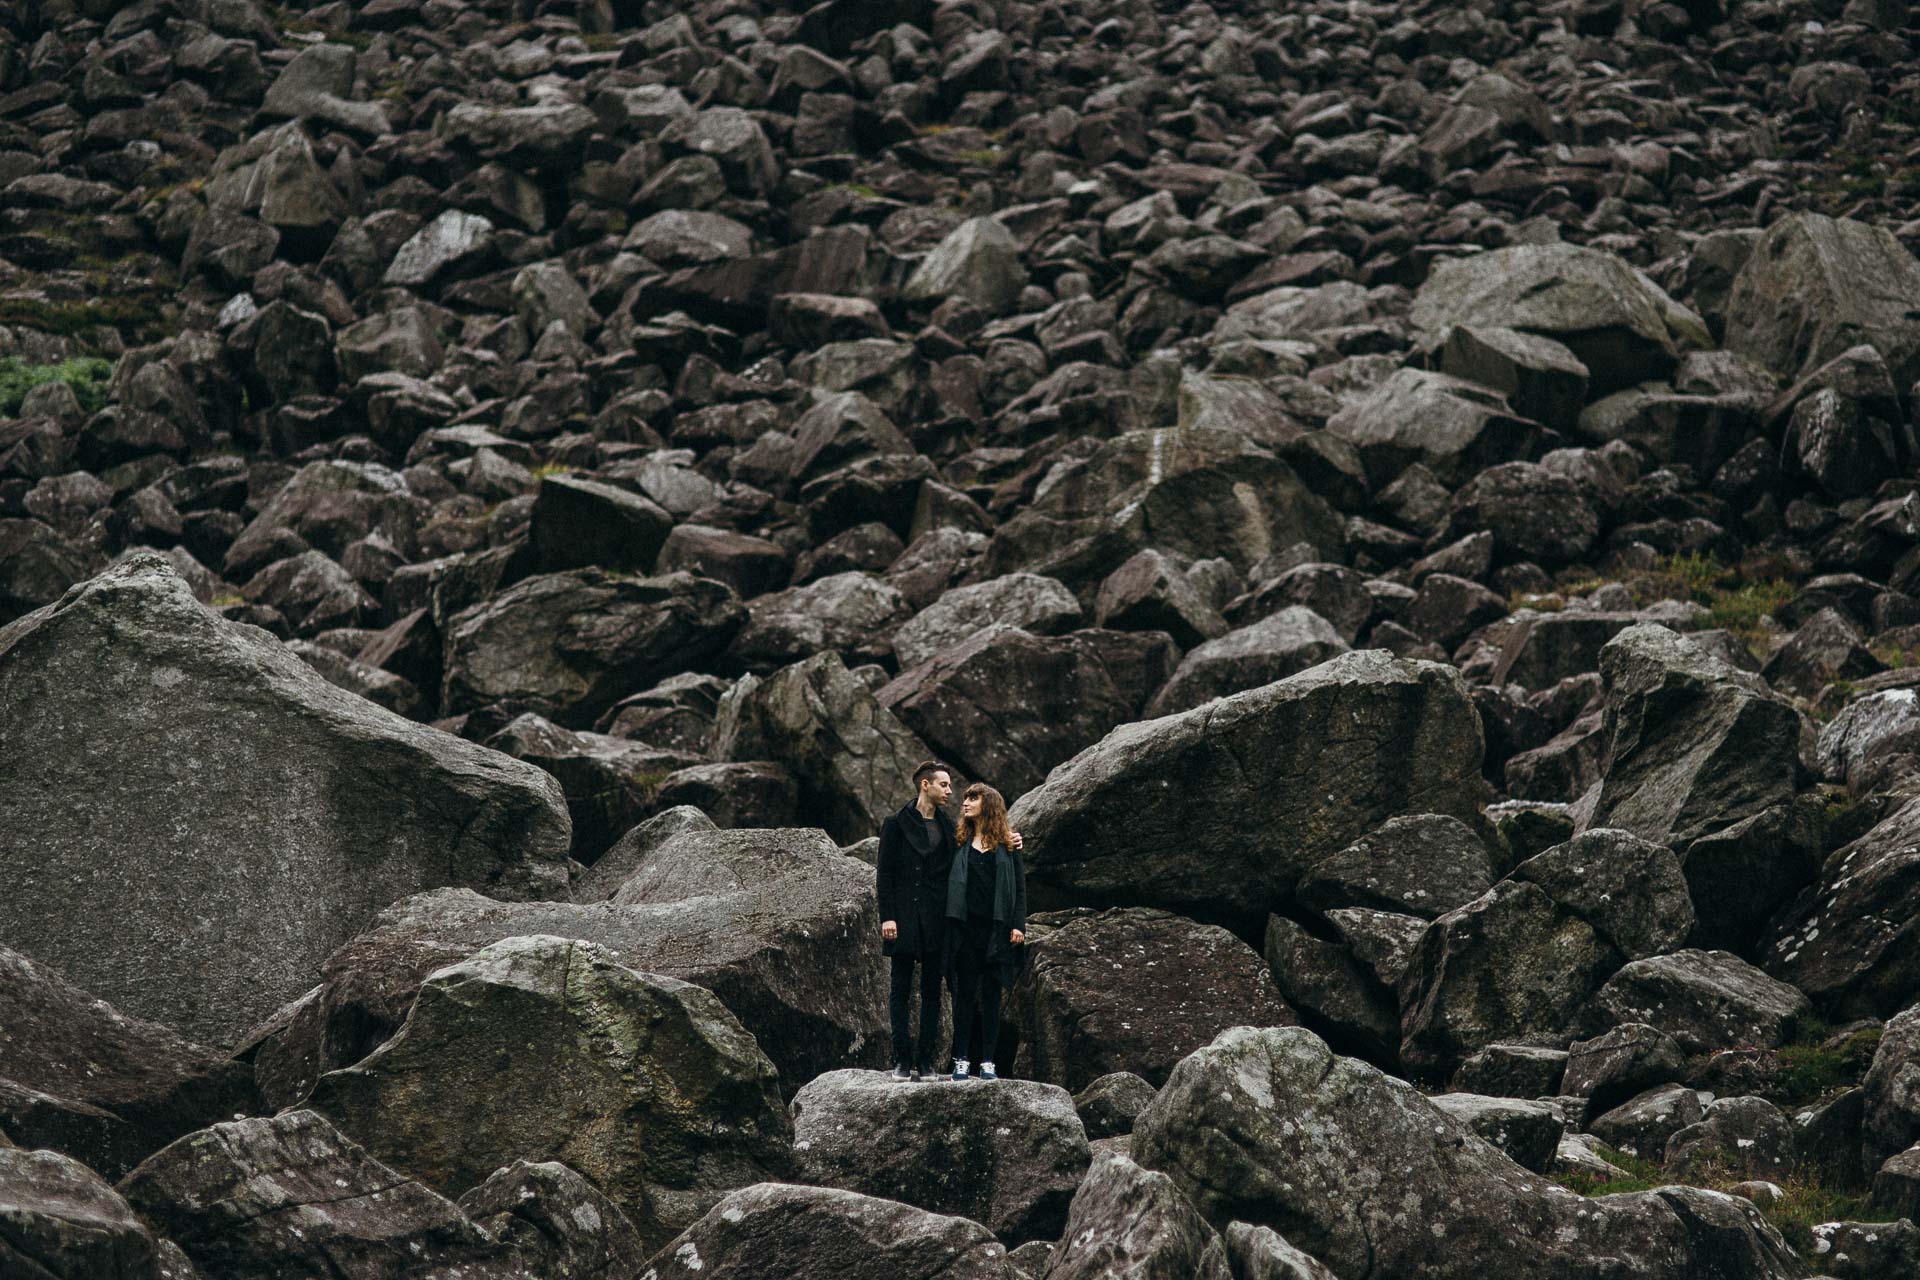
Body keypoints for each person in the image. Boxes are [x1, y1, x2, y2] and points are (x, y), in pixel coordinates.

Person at [943, 782, 1026, 1083]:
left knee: (991, 998)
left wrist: (1018, 925)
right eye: (965, 798)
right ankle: (961, 1060)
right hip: (965, 931)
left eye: (973, 798)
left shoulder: (1008, 844)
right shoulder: (959, 841)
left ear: (988, 804)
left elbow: (1018, 887)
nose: (965, 803)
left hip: (997, 932)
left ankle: (988, 1062)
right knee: (964, 996)